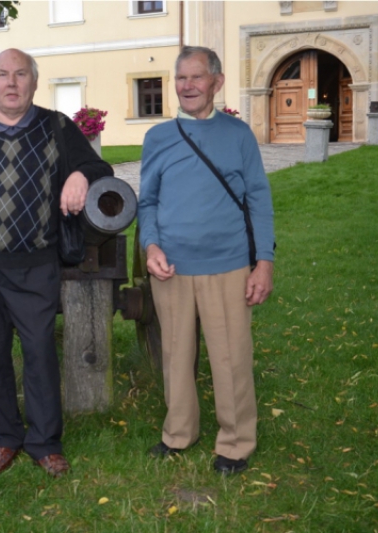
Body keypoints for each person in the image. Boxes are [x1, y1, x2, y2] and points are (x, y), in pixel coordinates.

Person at [0, 48, 113, 478]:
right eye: (3, 75)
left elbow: (98, 164)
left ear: (34, 81)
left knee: (38, 354)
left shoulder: (55, 127)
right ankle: (5, 438)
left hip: (35, 264)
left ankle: (45, 442)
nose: (11, 83)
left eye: (20, 75)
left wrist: (79, 174)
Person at [138, 46, 275, 474]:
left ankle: (235, 443)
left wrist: (264, 261)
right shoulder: (157, 138)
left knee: (230, 358)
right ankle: (179, 432)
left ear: (216, 81)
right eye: (181, 78)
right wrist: (151, 246)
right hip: (172, 267)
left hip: (228, 264)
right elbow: (148, 202)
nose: (188, 86)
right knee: (175, 355)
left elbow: (258, 199)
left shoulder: (238, 135)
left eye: (197, 77)